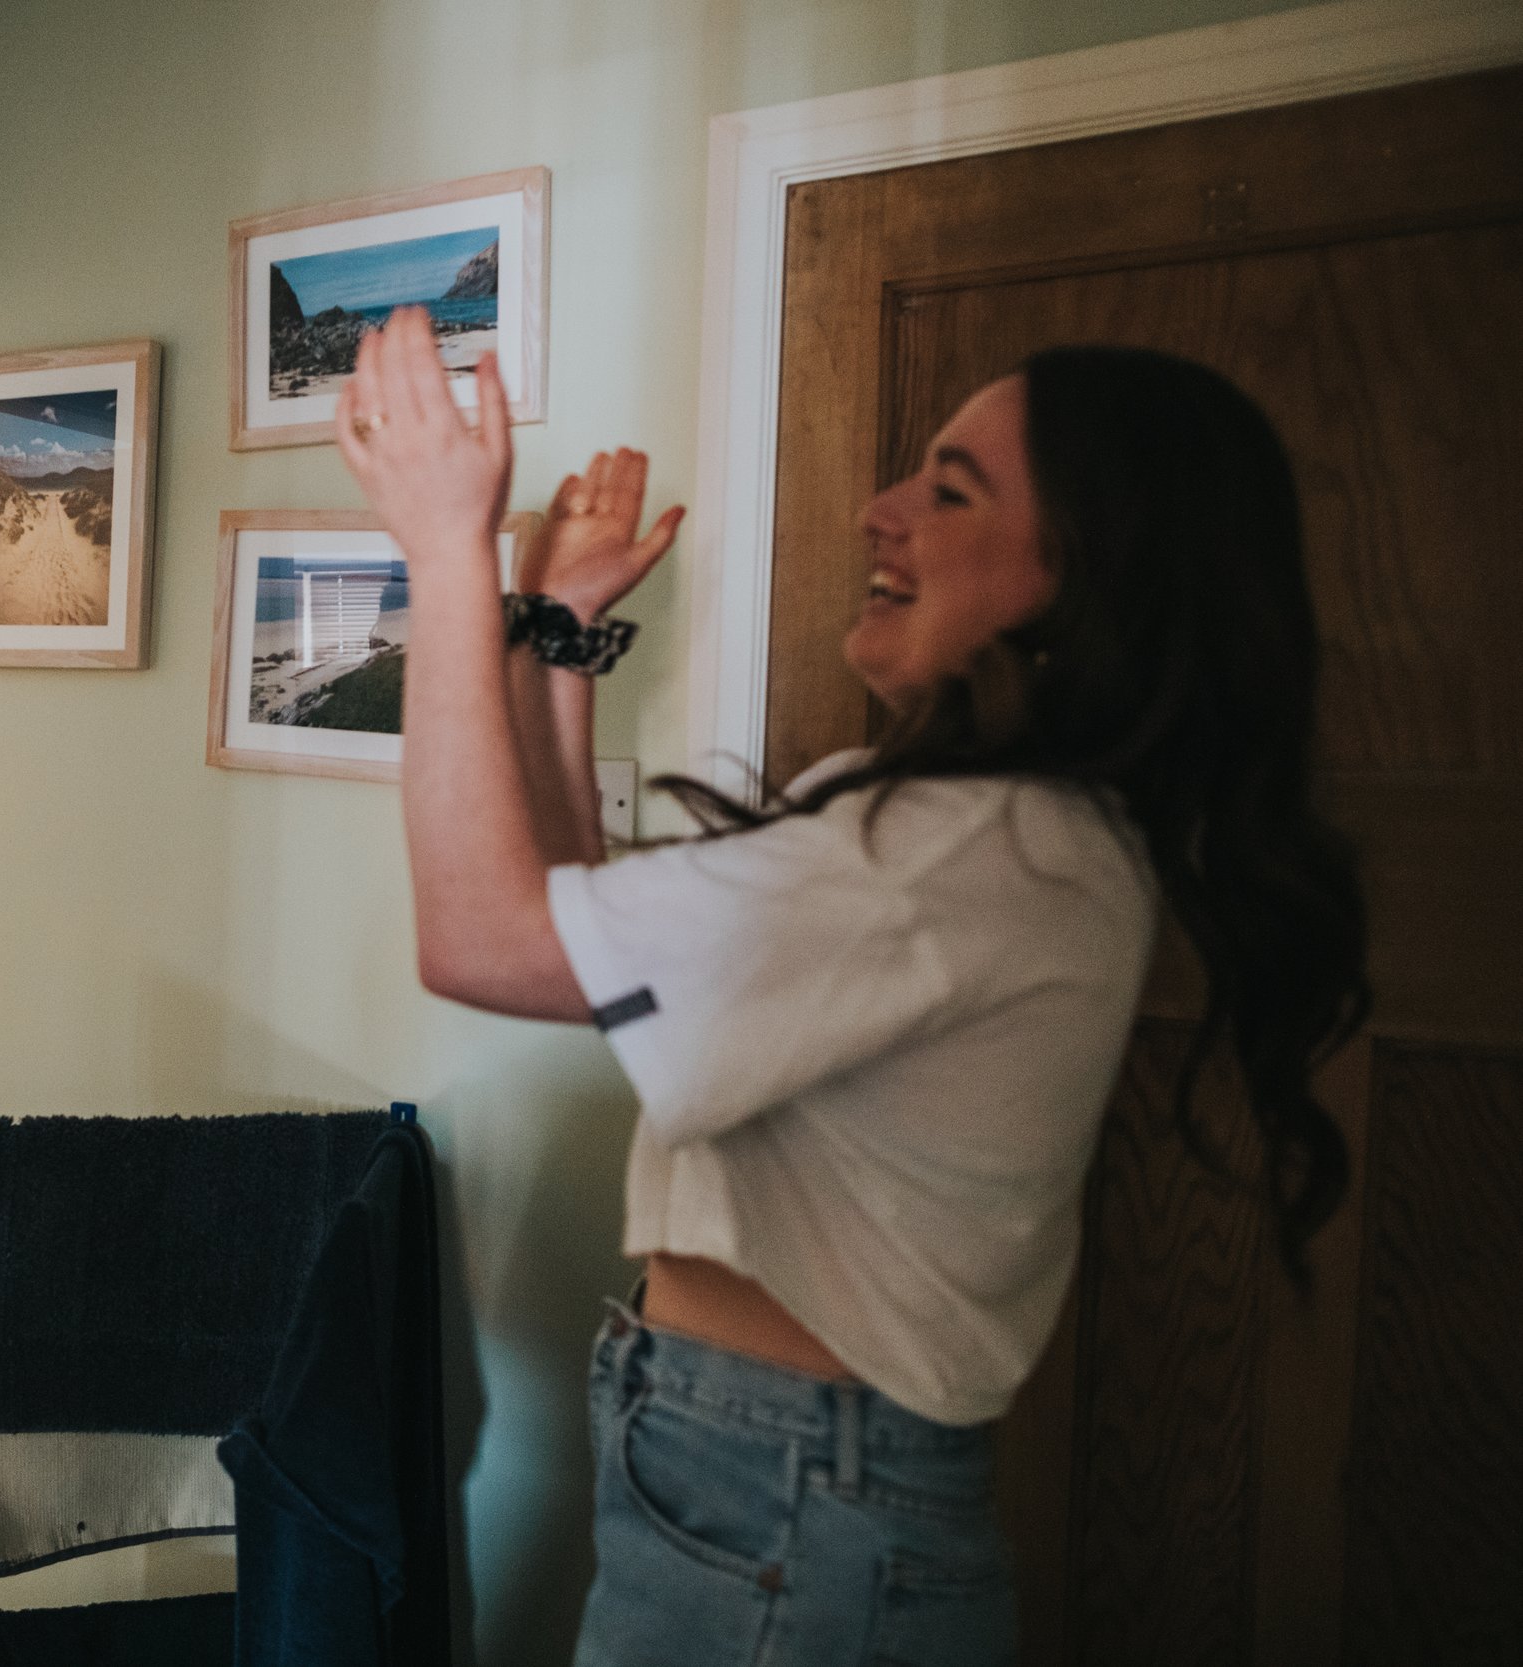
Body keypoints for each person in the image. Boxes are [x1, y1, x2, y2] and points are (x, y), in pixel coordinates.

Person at [332, 312, 1366, 1663]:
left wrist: (445, 553)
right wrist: (563, 630)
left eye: (949, 488)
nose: (881, 513)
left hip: (789, 1501)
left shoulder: (978, 849)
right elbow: (580, 918)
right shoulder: (971, 826)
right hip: (768, 1475)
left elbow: (479, 935)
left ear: (1090, 574)